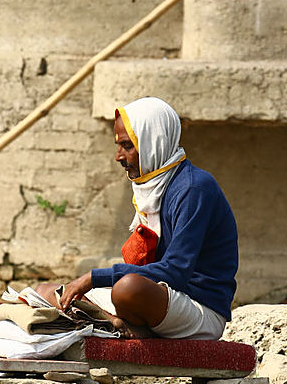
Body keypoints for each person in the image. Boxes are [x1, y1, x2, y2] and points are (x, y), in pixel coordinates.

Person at [36, 97, 238, 340]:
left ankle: (118, 323)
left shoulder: (194, 188)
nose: (118, 156)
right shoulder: (151, 184)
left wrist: (93, 278)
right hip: (160, 299)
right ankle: (119, 323)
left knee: (128, 289)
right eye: (118, 146)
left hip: (198, 309)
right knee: (47, 293)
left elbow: (175, 272)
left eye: (127, 146)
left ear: (154, 143)